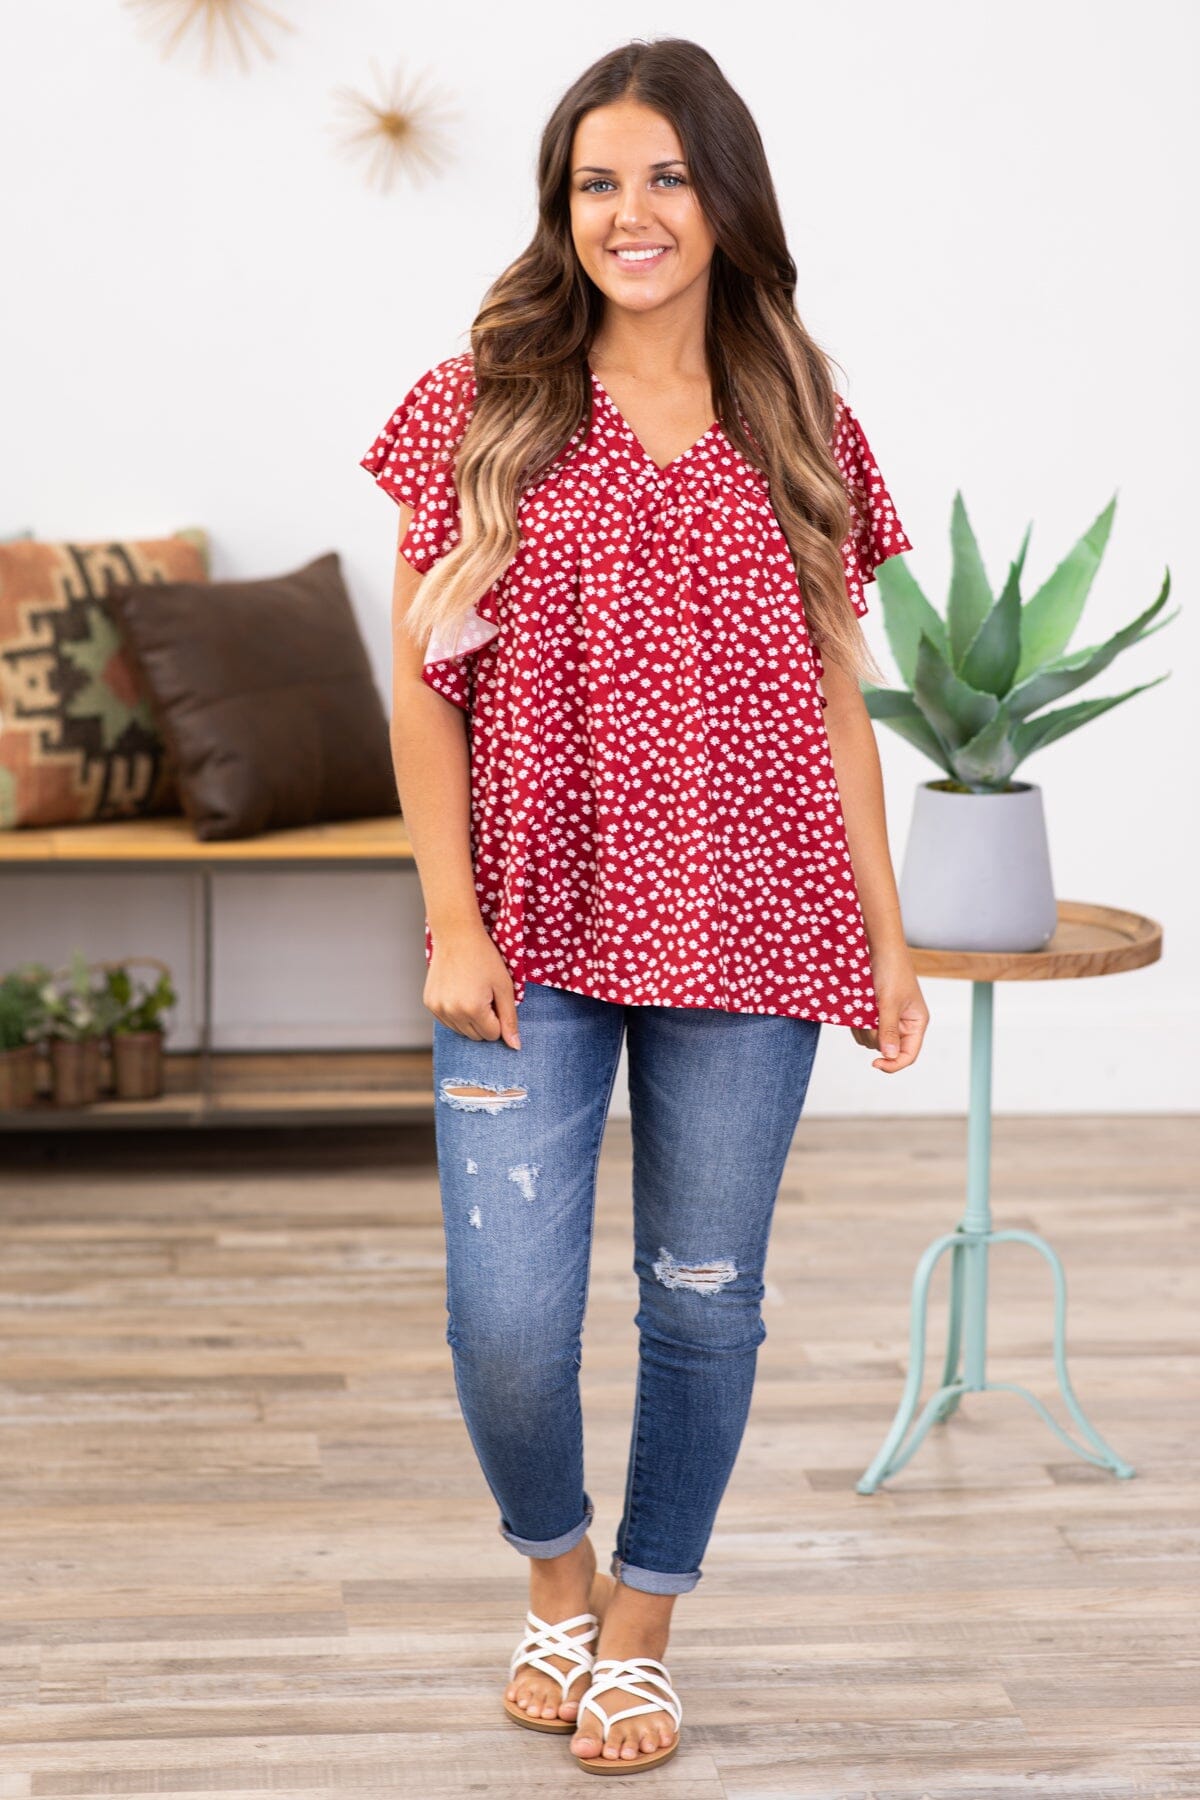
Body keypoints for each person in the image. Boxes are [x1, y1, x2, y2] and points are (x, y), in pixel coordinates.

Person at [360, 35, 930, 1776]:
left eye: (668, 177)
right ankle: (559, 1579)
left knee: (702, 1297)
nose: (632, 212)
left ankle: (642, 1629)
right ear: (562, 208)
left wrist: (885, 938)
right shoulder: (480, 407)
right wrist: (452, 921)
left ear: (726, 197)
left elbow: (839, 700)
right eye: (597, 181)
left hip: (755, 931)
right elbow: (420, 691)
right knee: (506, 1320)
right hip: (528, 930)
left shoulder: (799, 422)